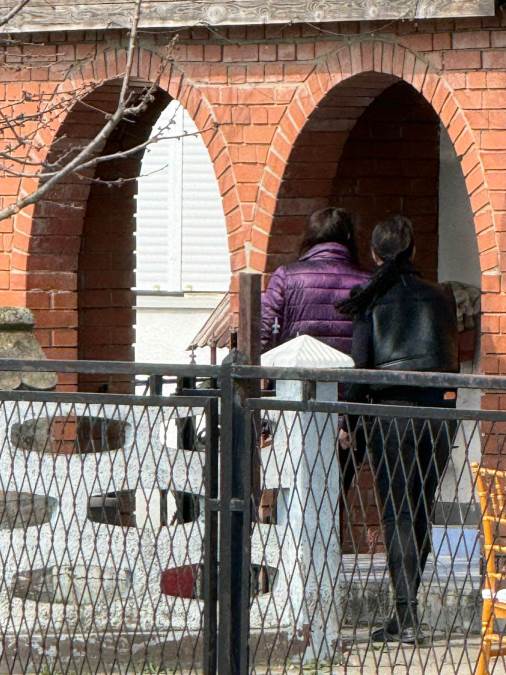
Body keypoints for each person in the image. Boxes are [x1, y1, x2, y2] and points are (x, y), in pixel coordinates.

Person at [337, 215, 459, 645]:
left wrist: (350, 422)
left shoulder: (370, 299)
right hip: (439, 415)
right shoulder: (441, 296)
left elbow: (360, 370)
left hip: (391, 415)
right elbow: (451, 358)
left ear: (374, 254)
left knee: (398, 512)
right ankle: (406, 611)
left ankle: (405, 615)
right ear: (414, 251)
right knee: (422, 508)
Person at [261, 207, 370, 353]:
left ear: (310, 236)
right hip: (351, 366)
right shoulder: (367, 280)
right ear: (349, 236)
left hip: (296, 364)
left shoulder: (286, 276)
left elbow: (265, 332)